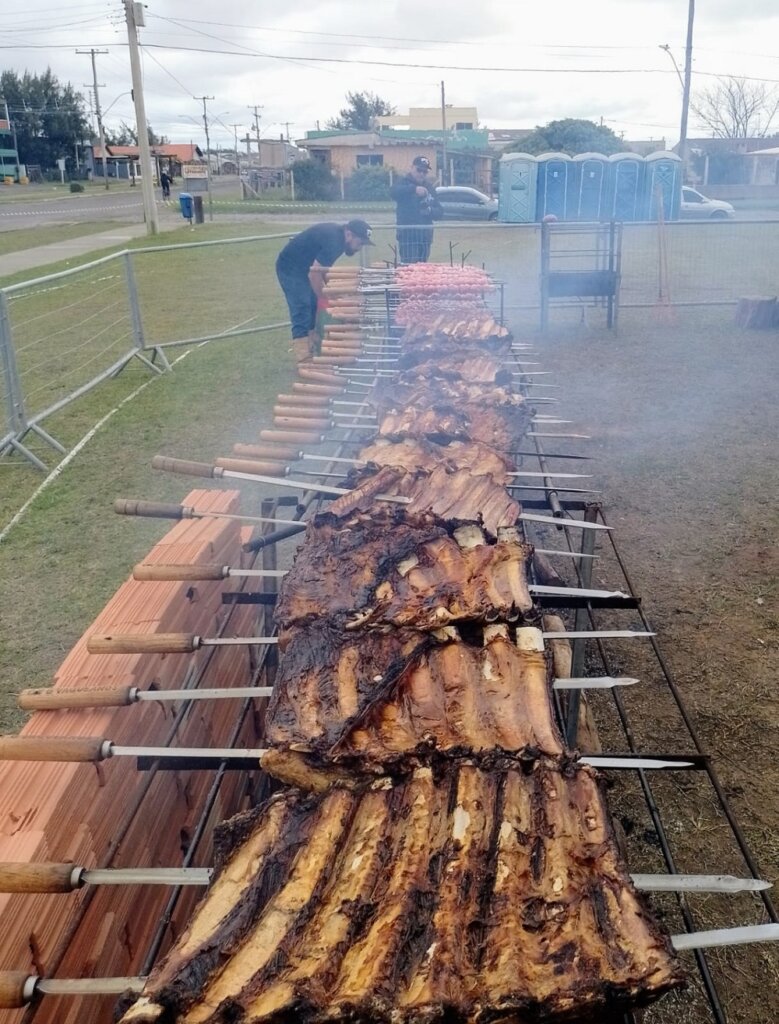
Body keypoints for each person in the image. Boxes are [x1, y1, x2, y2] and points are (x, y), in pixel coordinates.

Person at [276, 219, 374, 363]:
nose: (359, 248)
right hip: (290, 267)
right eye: (360, 243)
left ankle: (314, 347)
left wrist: (330, 290)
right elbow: (315, 274)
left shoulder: (338, 239)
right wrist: (325, 298)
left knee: (313, 304)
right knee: (302, 305)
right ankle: (303, 356)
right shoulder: (334, 242)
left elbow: (321, 269)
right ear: (349, 234)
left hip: (305, 267)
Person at [390, 155, 442, 264]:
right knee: (410, 269)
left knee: (423, 270)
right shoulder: (403, 182)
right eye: (419, 170)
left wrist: (429, 210)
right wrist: (413, 189)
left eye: (425, 171)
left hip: (425, 237)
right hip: (408, 236)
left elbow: (440, 212)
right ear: (412, 167)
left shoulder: (429, 187)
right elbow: (393, 192)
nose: (422, 174)